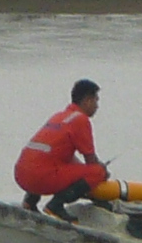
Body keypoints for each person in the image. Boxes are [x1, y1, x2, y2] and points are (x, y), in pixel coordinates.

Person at [14, 78, 108, 217]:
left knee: (43, 161)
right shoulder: (81, 120)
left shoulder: (59, 116)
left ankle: (30, 201)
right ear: (87, 100)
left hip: (21, 174)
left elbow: (62, 155)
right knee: (97, 172)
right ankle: (56, 205)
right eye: (96, 100)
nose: (97, 106)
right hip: (41, 179)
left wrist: (81, 171)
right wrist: (102, 171)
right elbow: (91, 160)